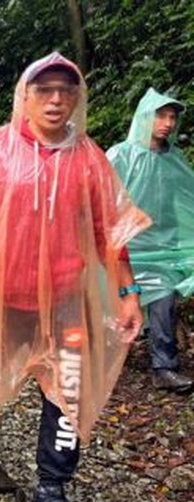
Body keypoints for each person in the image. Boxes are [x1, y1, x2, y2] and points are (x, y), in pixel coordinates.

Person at [0, 53, 150, 502]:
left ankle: (51, 490)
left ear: (76, 99)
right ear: (26, 95)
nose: (56, 100)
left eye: (66, 91)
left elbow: (112, 232)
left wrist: (127, 294)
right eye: (45, 90)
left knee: (70, 388)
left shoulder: (88, 157)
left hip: (63, 302)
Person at [108, 88, 194, 393]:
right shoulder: (122, 155)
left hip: (164, 249)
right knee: (109, 302)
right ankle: (102, 361)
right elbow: (104, 199)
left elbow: (185, 201)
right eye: (161, 115)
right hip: (127, 248)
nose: (168, 123)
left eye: (172, 117)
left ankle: (164, 367)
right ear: (146, 116)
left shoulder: (175, 159)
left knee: (164, 298)